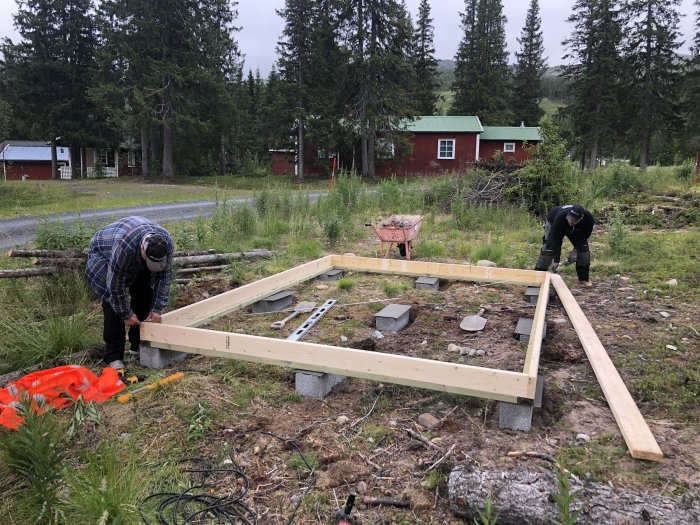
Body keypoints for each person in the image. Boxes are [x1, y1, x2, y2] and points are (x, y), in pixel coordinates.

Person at [86, 216, 174, 371]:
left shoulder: (166, 242)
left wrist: (157, 308)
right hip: (104, 254)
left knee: (144, 293)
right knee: (112, 302)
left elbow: (165, 277)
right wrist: (126, 314)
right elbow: (115, 286)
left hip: (133, 250)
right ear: (142, 249)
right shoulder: (125, 246)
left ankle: (137, 344)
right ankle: (113, 357)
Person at [534, 204, 595, 286]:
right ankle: (537, 277)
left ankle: (583, 279)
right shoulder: (561, 217)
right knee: (548, 250)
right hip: (554, 222)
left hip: (576, 228)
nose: (570, 221)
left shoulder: (589, 220)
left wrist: (575, 250)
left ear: (581, 218)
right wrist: (556, 261)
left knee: (583, 250)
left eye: (574, 220)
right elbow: (557, 240)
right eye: (569, 218)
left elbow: (584, 237)